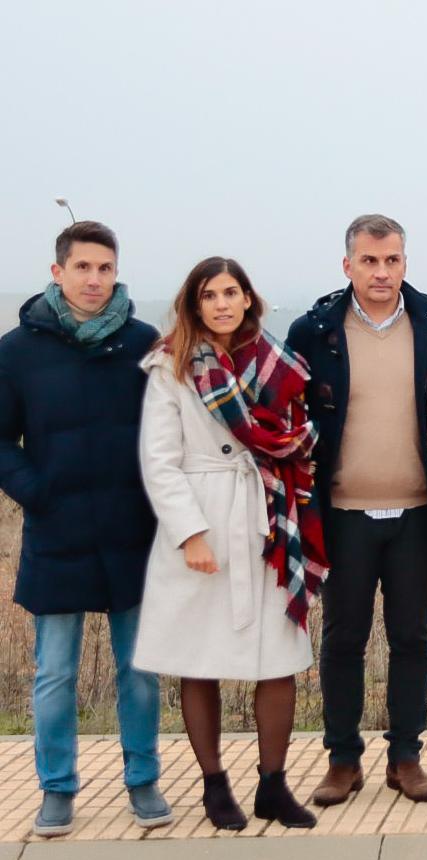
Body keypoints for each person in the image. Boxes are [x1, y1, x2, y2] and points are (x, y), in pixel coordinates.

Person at [133, 257, 324, 830]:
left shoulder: (280, 363)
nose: (221, 303)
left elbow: (298, 433)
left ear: (247, 298)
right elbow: (159, 462)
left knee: (279, 659)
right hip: (204, 521)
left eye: (231, 292)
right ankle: (214, 785)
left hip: (268, 521)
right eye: (209, 295)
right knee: (199, 658)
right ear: (194, 305)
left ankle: (273, 785)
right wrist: (190, 534)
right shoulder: (170, 368)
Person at [0, 221, 170, 837]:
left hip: (132, 527)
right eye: (82, 268)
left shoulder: (143, 342)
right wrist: (36, 491)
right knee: (54, 673)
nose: (94, 279)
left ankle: (144, 780)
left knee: (141, 668)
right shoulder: (17, 349)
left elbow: (169, 428)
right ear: (58, 272)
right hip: (57, 528)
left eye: (105, 268)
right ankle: (56, 787)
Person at [286, 215, 427, 807]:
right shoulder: (314, 331)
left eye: (391, 261)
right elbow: (290, 418)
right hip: (342, 513)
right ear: (348, 265)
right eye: (369, 261)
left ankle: (406, 758)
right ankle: (342, 761)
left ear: (405, 263)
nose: (381, 272)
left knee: (412, 638)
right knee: (342, 641)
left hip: (417, 513)